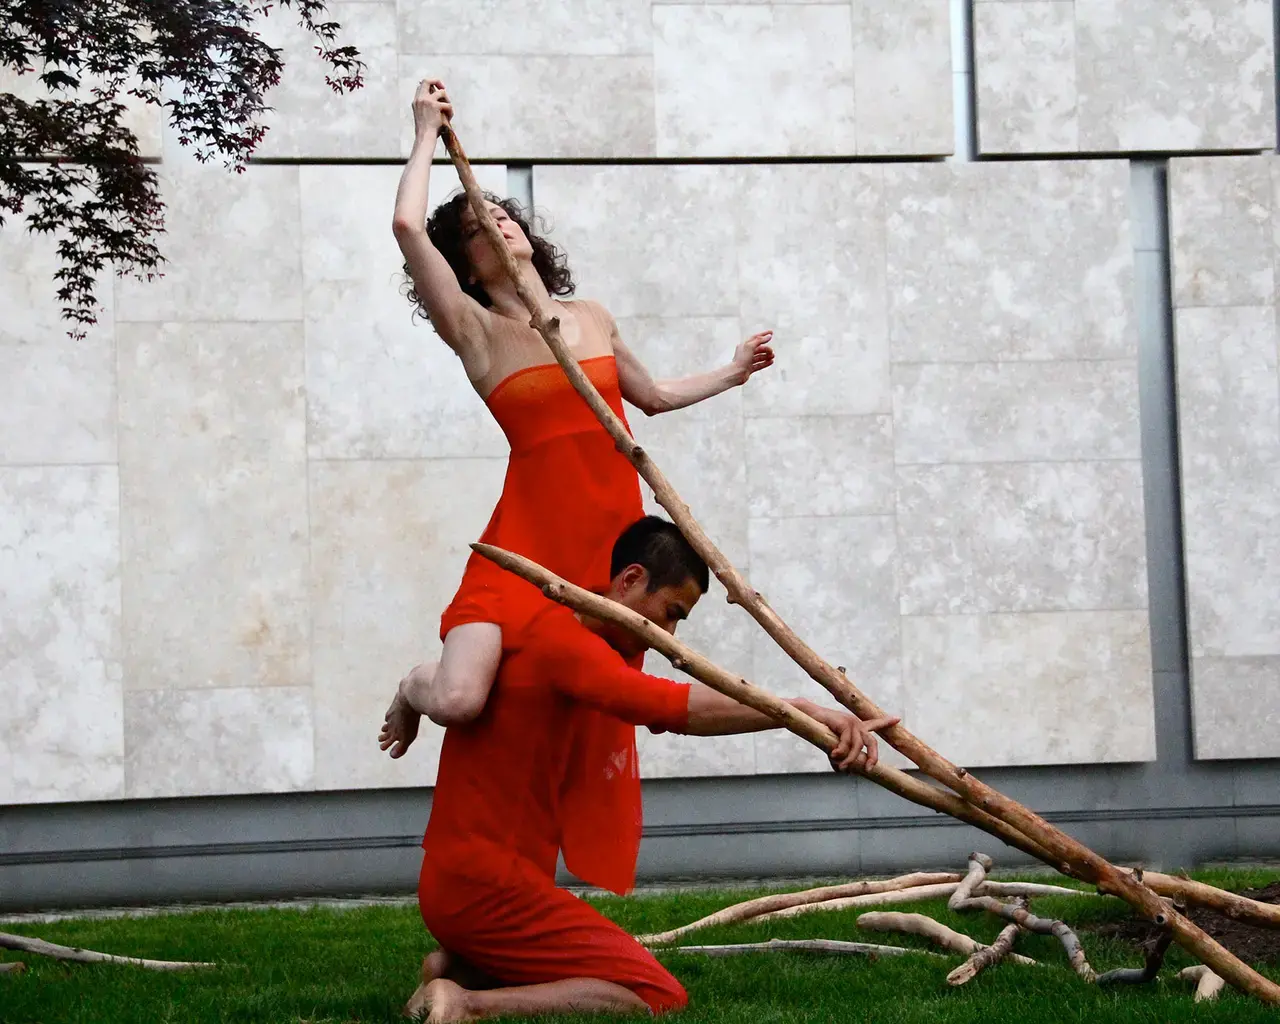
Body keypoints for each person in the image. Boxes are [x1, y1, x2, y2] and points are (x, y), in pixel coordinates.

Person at [384, 77, 776, 749]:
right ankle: (410, 687)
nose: (498, 224)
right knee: (459, 698)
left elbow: (649, 397)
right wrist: (425, 133)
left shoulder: (591, 318)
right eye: (478, 230)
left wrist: (732, 372)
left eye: (503, 216)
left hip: (608, 540)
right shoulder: (476, 332)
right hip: (522, 546)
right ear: (468, 270)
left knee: (602, 707)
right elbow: (405, 226)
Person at [392, 516, 899, 1022]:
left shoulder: (542, 629)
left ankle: (458, 967)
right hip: (488, 889)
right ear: (631, 580)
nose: (668, 634)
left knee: (577, 965)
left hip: (455, 882)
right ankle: (468, 1003)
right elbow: (670, 707)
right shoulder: (566, 645)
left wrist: (410, 696)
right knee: (657, 994)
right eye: (670, 612)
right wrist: (802, 712)